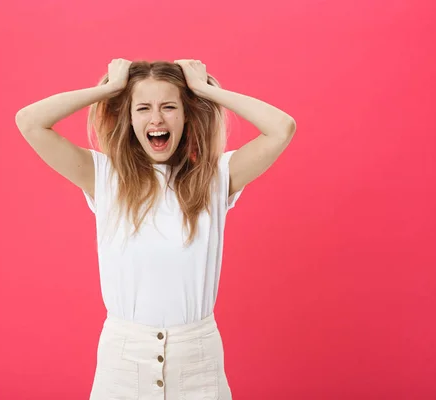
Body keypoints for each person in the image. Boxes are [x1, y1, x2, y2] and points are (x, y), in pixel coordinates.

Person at [15, 58, 296, 399]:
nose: (157, 119)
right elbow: (29, 122)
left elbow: (282, 127)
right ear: (129, 118)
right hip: (122, 365)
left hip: (199, 363)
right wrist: (108, 90)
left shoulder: (215, 177)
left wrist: (205, 91)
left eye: (169, 107)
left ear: (186, 115)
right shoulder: (104, 176)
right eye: (143, 108)